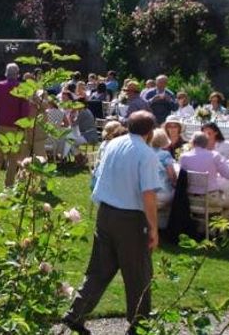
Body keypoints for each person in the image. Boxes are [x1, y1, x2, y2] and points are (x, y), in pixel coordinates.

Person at [63, 111, 162, 335]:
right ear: (150, 131)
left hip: (106, 212)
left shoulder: (113, 143)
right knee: (138, 274)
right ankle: (139, 325)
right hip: (130, 218)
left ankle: (76, 312)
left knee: (99, 268)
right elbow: (148, 195)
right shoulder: (146, 154)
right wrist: (154, 228)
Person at [0, 63, 29, 192]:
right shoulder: (22, 88)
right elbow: (25, 110)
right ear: (17, 74)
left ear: (6, 72)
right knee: (13, 158)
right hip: (15, 127)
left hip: (1, 125)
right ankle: (9, 186)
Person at [179, 132, 229, 220]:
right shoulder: (214, 156)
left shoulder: (184, 157)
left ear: (193, 143)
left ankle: (204, 227)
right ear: (207, 143)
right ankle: (215, 228)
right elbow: (228, 174)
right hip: (210, 198)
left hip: (190, 197)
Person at [149, 129, 177, 227]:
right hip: (162, 193)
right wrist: (175, 183)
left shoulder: (145, 152)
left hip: (145, 193)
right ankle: (167, 226)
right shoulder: (165, 155)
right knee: (177, 194)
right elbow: (171, 175)